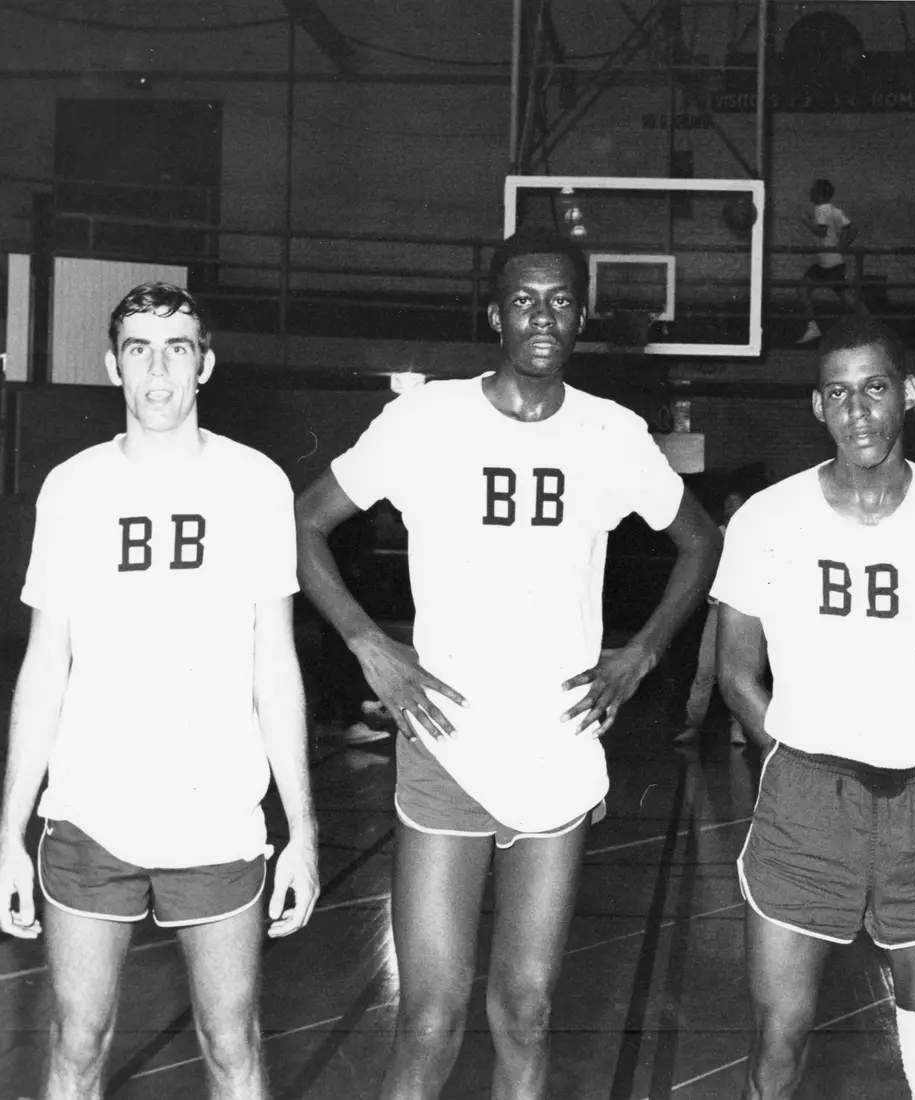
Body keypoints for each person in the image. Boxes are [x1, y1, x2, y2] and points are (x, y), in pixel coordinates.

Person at [294, 229, 721, 1100]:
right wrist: (369, 643)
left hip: (557, 748)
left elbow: (701, 542)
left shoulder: (611, 433)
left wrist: (641, 655)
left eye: (561, 300)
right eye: (524, 299)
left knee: (525, 1009)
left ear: (584, 315)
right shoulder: (425, 420)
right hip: (448, 742)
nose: (543, 316)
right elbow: (304, 526)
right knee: (430, 1017)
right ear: (493, 312)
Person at [0, 283, 320, 1100]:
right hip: (87, 814)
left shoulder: (255, 485)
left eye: (177, 347)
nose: (159, 367)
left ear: (204, 364)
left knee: (231, 1043)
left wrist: (304, 831)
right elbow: (44, 668)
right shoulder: (72, 488)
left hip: (215, 817)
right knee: (75, 1043)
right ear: (113, 365)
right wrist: (8, 832)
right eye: (139, 348)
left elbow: (274, 666)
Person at [715, 316, 915, 1099]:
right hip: (803, 801)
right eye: (839, 393)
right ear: (818, 407)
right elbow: (737, 673)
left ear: (906, 396)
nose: (858, 411)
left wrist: (911, 739)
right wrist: (791, 751)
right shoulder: (766, 520)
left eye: (875, 388)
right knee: (778, 1041)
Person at [675, 488, 751, 747]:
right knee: (705, 670)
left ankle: (738, 729)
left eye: (737, 503)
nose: (733, 508)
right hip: (717, 611)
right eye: (729, 503)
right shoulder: (715, 535)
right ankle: (692, 725)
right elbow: (701, 567)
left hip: (744, 614)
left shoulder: (756, 535)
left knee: (739, 673)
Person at [796, 178, 865, 346]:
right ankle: (813, 328)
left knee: (847, 298)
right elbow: (853, 229)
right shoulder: (833, 209)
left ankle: (870, 325)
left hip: (830, 265)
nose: (810, 193)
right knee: (803, 289)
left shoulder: (820, 210)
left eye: (813, 190)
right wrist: (843, 245)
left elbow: (820, 232)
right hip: (828, 263)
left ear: (819, 194)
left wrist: (806, 221)